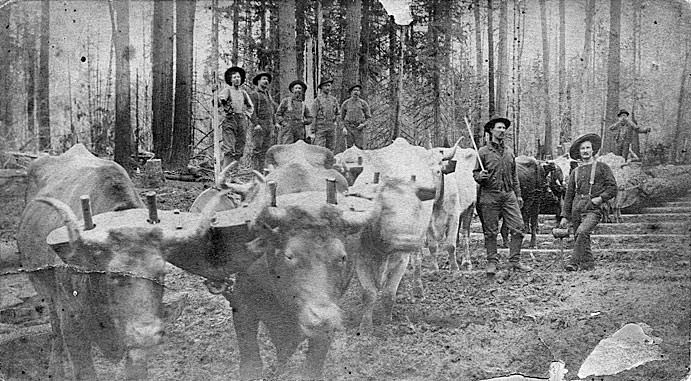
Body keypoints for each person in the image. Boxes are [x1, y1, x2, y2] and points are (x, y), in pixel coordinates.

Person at [473, 116, 532, 276]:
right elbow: (476, 174)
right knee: (491, 231)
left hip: (508, 195)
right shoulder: (483, 152)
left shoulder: (509, 152)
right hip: (489, 195)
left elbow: (514, 177)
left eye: (504, 128)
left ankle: (515, 261)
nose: (502, 131)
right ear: (491, 130)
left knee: (518, 228)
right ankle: (492, 261)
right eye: (499, 128)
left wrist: (518, 196)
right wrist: (480, 176)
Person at [559, 133, 617, 271]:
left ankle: (573, 262)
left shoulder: (602, 167)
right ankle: (588, 265)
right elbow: (569, 195)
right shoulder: (575, 172)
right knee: (580, 236)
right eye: (582, 149)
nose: (585, 151)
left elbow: (613, 188)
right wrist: (565, 216)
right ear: (579, 152)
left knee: (582, 232)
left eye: (588, 148)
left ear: (593, 150)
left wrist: (601, 198)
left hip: (594, 209)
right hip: (577, 209)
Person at [218, 66, 254, 168]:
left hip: (241, 120)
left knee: (240, 148)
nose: (237, 79)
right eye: (234, 77)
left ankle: (234, 173)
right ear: (230, 80)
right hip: (230, 119)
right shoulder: (227, 90)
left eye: (238, 77)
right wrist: (220, 100)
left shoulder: (243, 92)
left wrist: (247, 115)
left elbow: (250, 106)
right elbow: (219, 101)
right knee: (229, 148)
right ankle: (225, 174)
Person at [248, 71, 277, 170]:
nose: (266, 81)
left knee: (266, 150)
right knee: (257, 150)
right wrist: (256, 124)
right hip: (259, 126)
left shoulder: (268, 96)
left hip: (268, 126)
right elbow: (251, 111)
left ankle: (264, 172)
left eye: (267, 80)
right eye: (264, 79)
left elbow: (272, 111)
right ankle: (256, 172)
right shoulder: (254, 95)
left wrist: (275, 123)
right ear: (258, 81)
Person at [275, 80, 313, 144]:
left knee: (299, 149)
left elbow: (310, 117)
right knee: (287, 148)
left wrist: (304, 122)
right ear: (292, 90)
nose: (297, 90)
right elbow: (278, 114)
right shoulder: (286, 101)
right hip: (288, 131)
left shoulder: (303, 104)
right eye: (296, 88)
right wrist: (284, 123)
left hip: (300, 132)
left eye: (299, 88)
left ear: (302, 91)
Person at [311, 78, 340, 150]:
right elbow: (313, 116)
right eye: (325, 86)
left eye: (329, 85)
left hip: (331, 128)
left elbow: (338, 113)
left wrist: (336, 121)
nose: (327, 87)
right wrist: (312, 131)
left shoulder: (333, 100)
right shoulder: (317, 100)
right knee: (319, 148)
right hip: (320, 128)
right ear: (321, 87)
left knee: (331, 148)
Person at [340, 84, 371, 149]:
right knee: (349, 148)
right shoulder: (346, 103)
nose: (356, 92)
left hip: (359, 129)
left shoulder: (363, 103)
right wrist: (344, 128)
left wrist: (363, 125)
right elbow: (341, 118)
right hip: (349, 128)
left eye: (358, 90)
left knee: (360, 148)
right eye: (354, 90)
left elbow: (368, 118)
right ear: (351, 92)